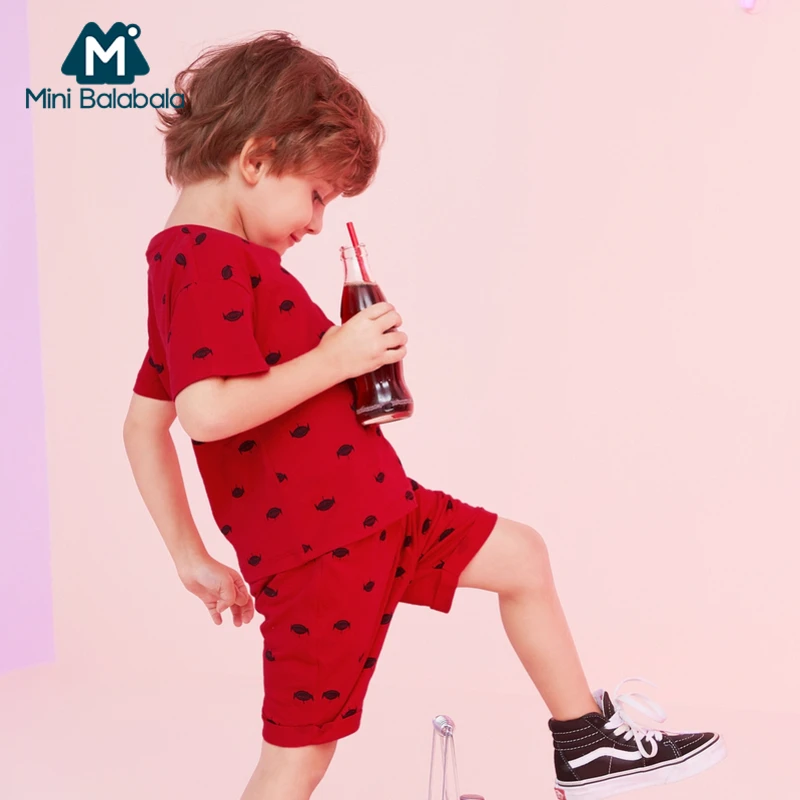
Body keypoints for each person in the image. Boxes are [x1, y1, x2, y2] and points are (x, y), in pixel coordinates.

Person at [122, 30, 727, 800]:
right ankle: (585, 746)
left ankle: (584, 744)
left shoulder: (198, 263)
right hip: (323, 555)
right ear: (256, 158)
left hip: (379, 516)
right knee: (299, 755)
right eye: (317, 195)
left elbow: (143, 424)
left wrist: (191, 558)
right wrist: (336, 359)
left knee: (522, 557)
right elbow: (204, 412)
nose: (317, 223)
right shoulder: (207, 260)